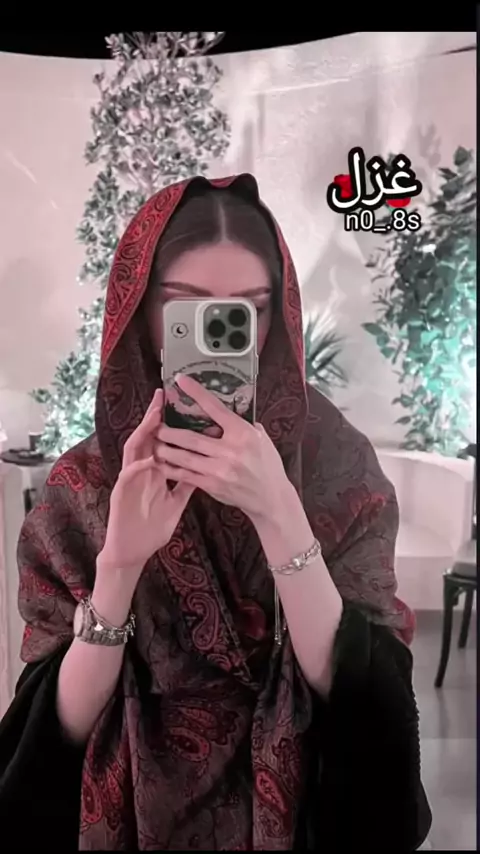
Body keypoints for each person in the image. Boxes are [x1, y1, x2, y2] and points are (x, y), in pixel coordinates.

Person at [0, 174, 431, 851]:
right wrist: (119, 567)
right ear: (141, 310)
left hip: (298, 811)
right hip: (135, 816)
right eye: (186, 308)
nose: (219, 333)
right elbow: (52, 741)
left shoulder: (336, 461)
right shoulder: (84, 483)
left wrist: (281, 516)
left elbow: (368, 703)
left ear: (278, 314)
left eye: (247, 309)